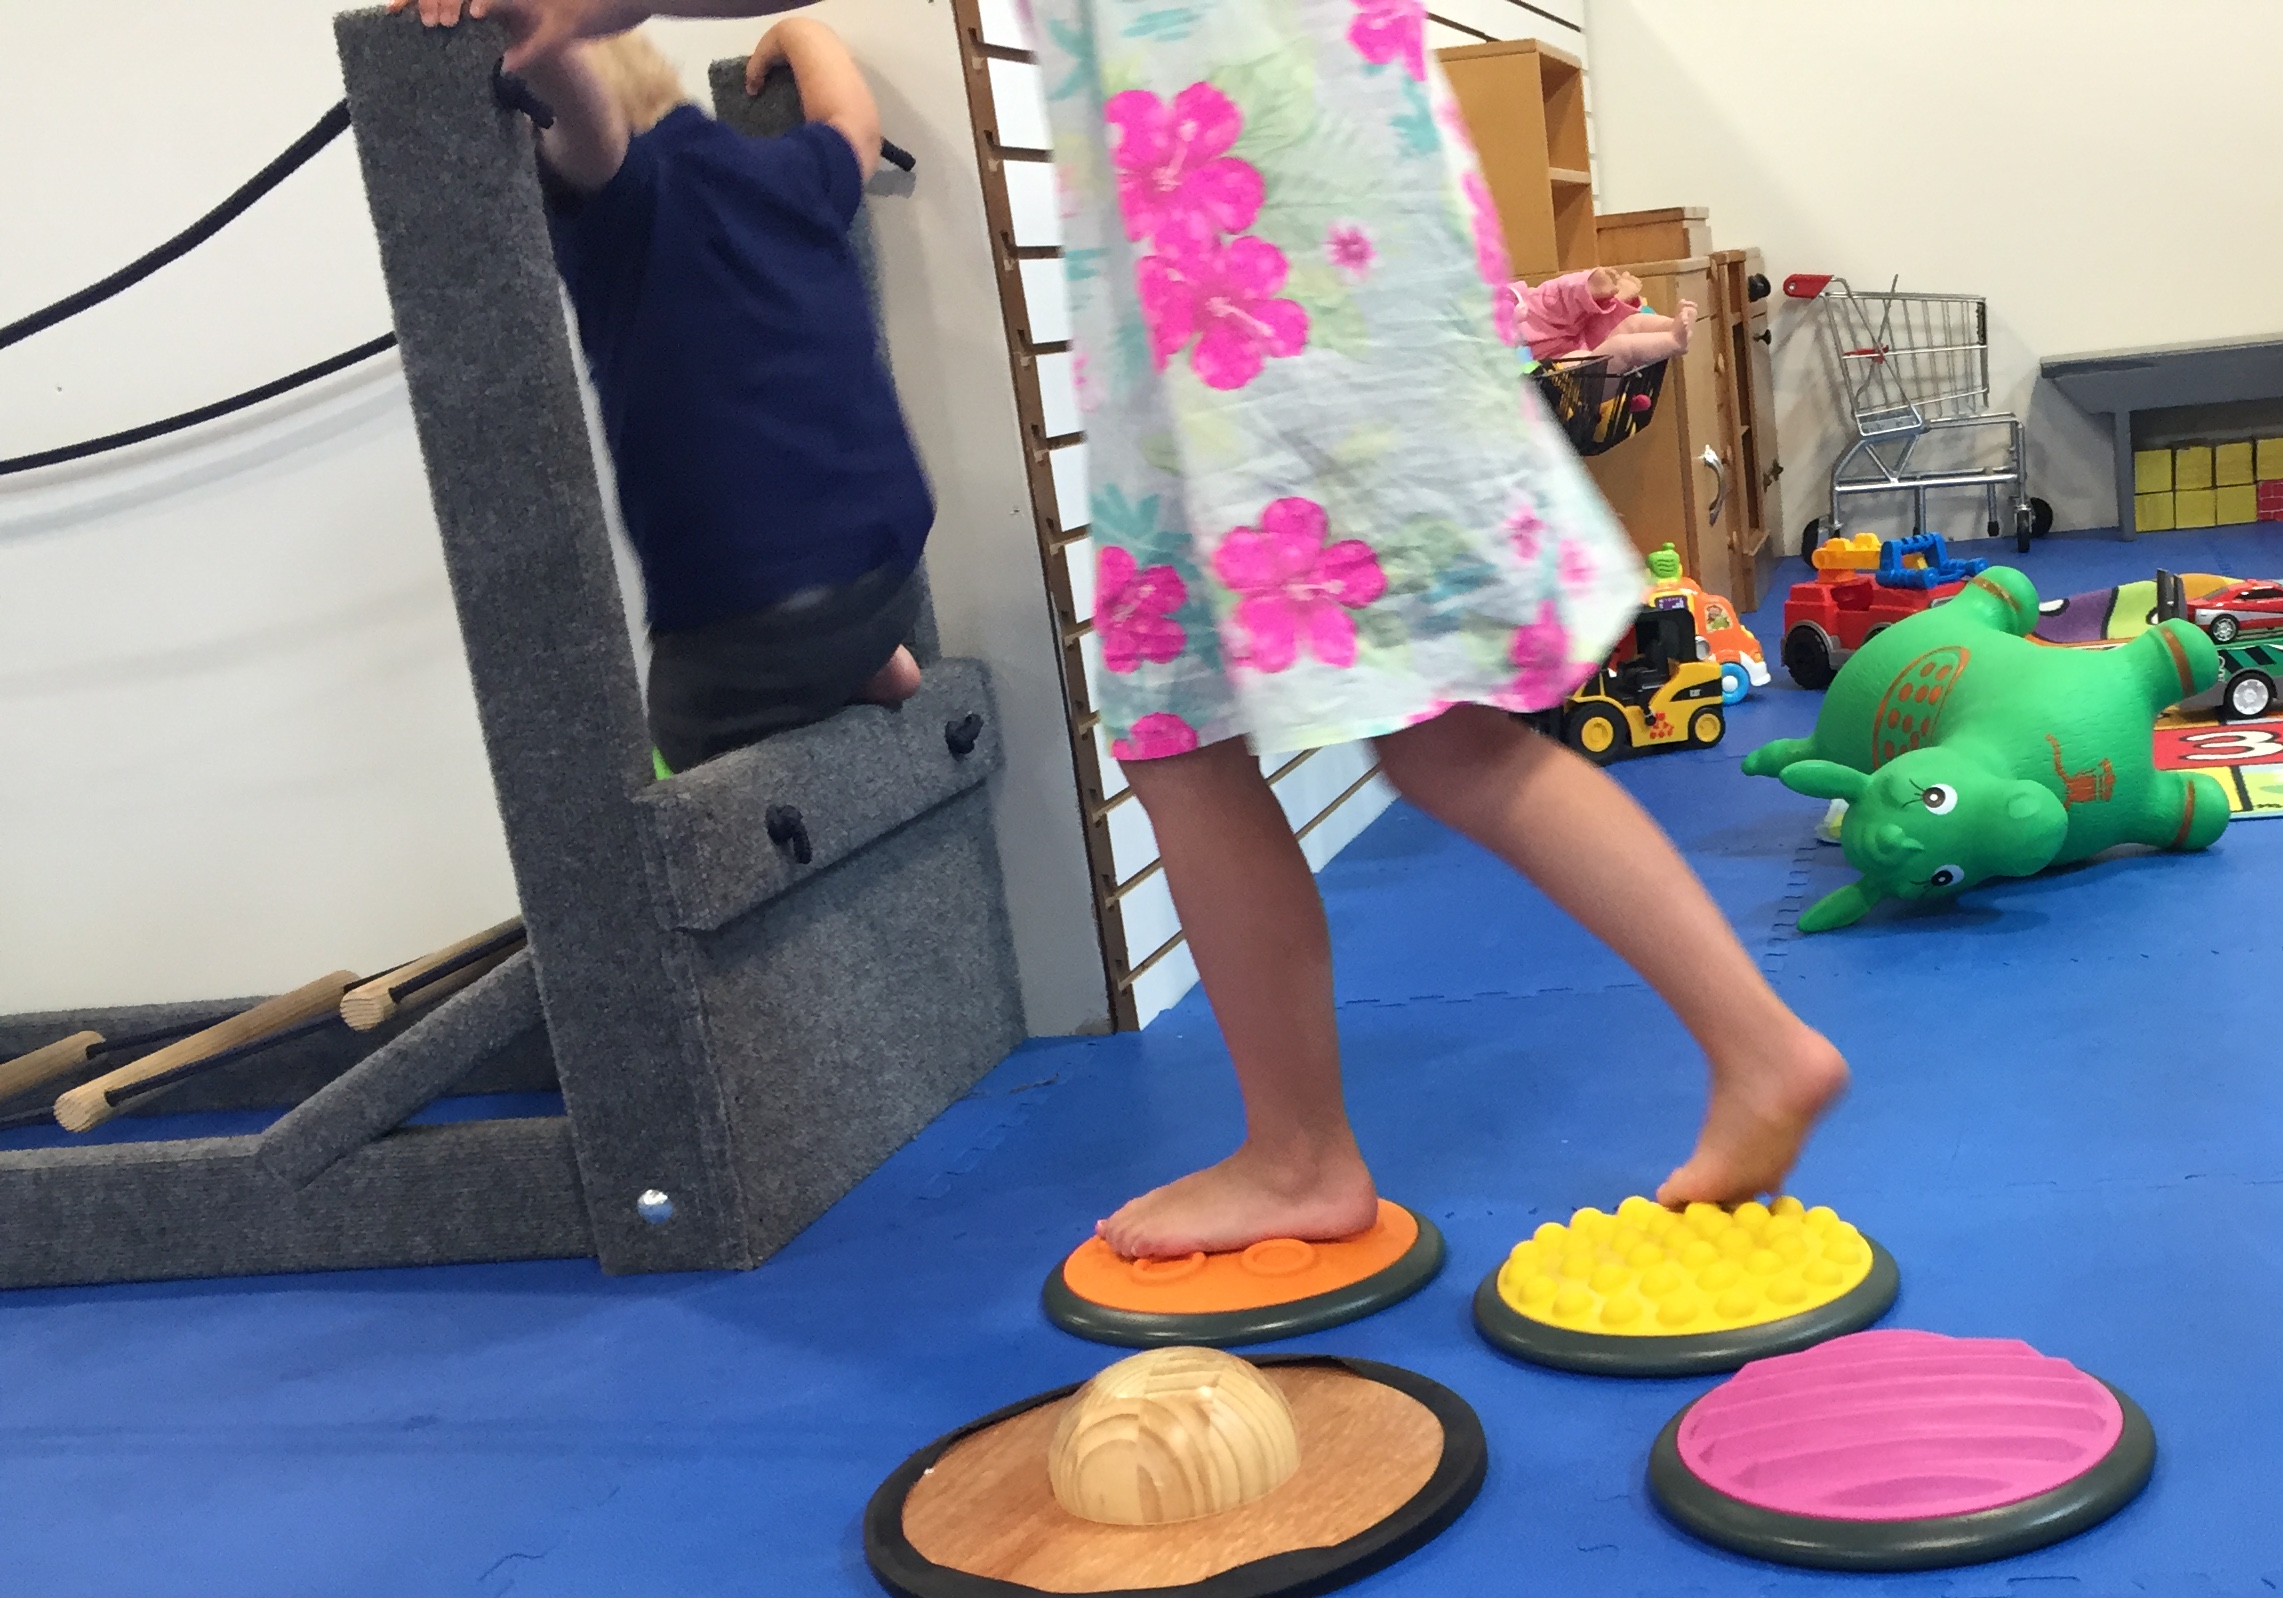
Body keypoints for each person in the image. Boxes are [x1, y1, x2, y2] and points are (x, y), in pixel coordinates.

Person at [410, 0, 1845, 1259]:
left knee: (1420, 739)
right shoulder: (769, 178)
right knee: (1193, 736)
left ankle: (1620, 1074)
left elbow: (627, 116)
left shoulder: (659, 188)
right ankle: (1322, 1144)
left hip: (1264, 295)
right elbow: (831, 114)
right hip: (1256, 294)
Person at [390, 1, 933, 774]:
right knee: (821, 624)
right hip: (888, 573)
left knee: (667, 767)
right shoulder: (787, 171)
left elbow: (588, 130)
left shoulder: (623, 197)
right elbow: (856, 125)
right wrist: (800, 33)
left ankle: (824, 673)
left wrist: (540, 41)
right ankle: (873, 665)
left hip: (742, 625)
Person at [1513, 266, 1699, 373]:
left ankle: (1670, 326)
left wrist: (1586, 286)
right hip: (1571, 387)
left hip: (1583, 344)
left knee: (1633, 323)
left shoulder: (1517, 302)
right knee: (1619, 346)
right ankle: (1674, 340)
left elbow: (1549, 300)